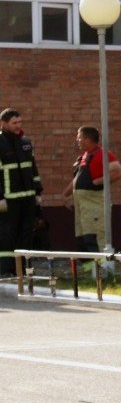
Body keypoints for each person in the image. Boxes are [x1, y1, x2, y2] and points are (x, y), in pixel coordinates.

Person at [62, 125, 121, 253]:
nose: (77, 141)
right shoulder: (84, 157)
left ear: (87, 140)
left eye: (79, 138)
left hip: (95, 206)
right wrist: (66, 194)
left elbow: (117, 172)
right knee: (84, 238)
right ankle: (91, 270)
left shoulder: (103, 154)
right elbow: (77, 179)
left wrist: (97, 181)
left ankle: (103, 269)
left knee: (96, 236)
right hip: (83, 208)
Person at [0, 108, 43, 277]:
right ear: (4, 124)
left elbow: (33, 169)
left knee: (26, 234)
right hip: (8, 200)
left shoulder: (25, 142)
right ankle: (4, 269)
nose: (18, 126)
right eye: (14, 123)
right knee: (7, 235)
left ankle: (24, 270)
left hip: (27, 198)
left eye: (20, 122)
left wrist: (38, 192)